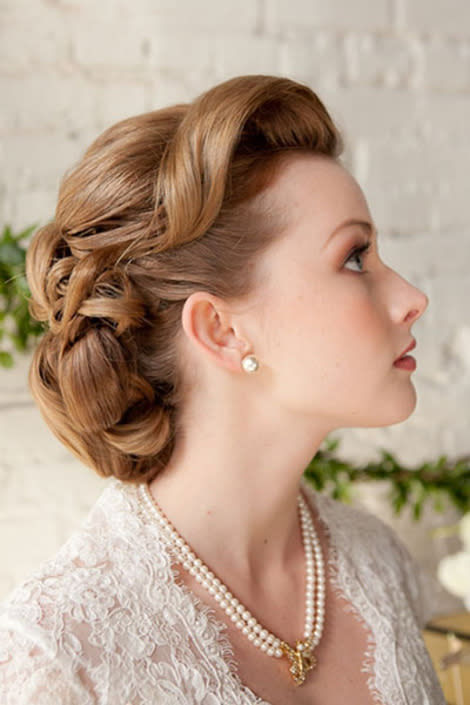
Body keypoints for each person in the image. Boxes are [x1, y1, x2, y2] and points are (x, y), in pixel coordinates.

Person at [0, 75, 446, 705]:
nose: (411, 299)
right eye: (354, 257)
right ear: (221, 329)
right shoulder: (62, 656)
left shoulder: (378, 565)